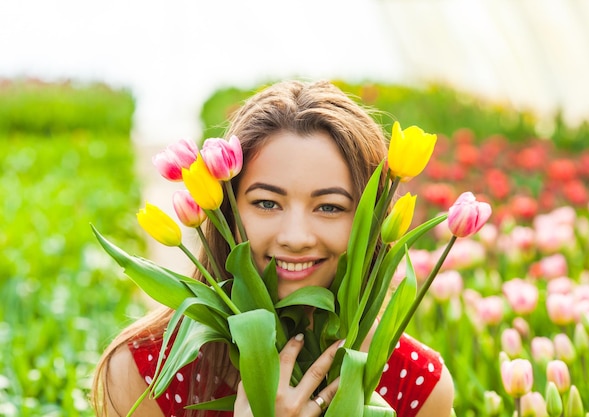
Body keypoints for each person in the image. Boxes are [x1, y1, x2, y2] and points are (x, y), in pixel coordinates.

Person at [91, 80, 455, 417]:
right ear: (227, 210)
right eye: (267, 203)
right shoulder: (146, 376)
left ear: (370, 220)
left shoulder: (417, 385)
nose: (295, 237)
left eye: (329, 206)